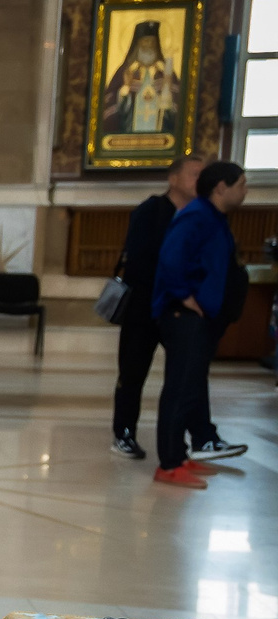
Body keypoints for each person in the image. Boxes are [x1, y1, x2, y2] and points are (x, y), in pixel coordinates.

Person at [152, 160, 251, 489]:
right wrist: (186, 298)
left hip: (201, 319)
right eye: (241, 185)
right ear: (221, 187)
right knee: (179, 389)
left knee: (191, 387)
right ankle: (168, 465)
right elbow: (170, 258)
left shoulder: (212, 217)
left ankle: (179, 456)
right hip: (186, 319)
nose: (246, 191)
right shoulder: (197, 216)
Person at [111, 155, 203, 460]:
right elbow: (140, 259)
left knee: (187, 374)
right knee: (133, 372)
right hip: (144, 307)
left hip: (180, 310)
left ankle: (191, 439)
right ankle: (124, 433)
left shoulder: (199, 214)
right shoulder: (151, 211)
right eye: (193, 174)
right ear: (173, 179)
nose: (199, 181)